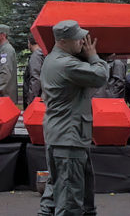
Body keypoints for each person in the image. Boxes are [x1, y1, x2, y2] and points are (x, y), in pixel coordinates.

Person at [37, 20, 108, 216]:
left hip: (61, 136)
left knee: (55, 191)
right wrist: (94, 57)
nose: (83, 42)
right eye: (78, 39)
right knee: (69, 199)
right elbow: (100, 76)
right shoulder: (66, 64)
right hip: (69, 138)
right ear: (64, 41)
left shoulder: (53, 59)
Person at [24, 33, 45, 106]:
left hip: (36, 99)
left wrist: (31, 100)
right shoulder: (43, 54)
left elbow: (35, 78)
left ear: (29, 43)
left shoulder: (36, 56)